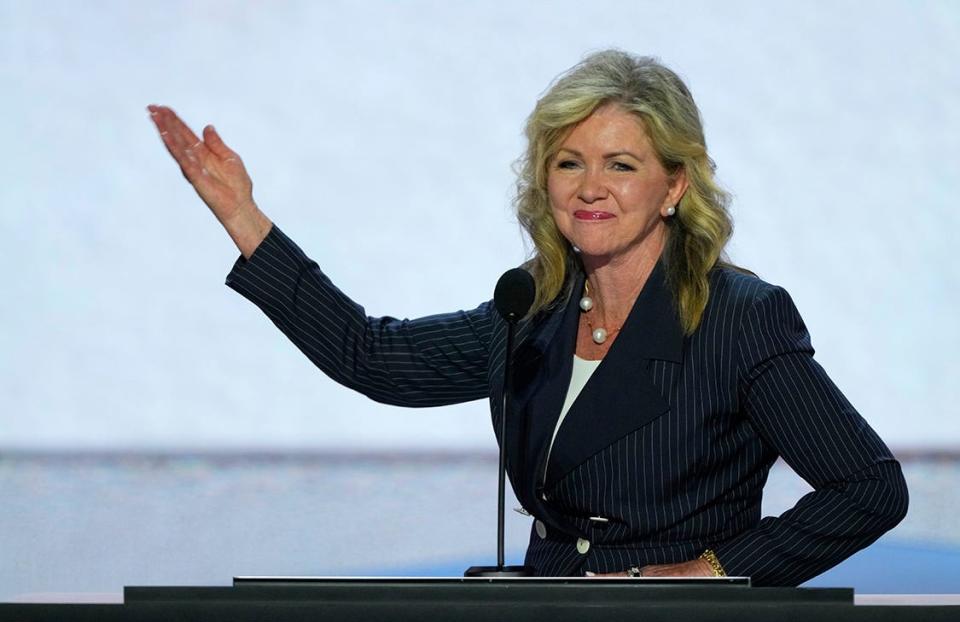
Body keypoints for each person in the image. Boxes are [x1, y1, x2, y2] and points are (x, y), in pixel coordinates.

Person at [148, 50, 908, 586]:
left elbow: (869, 488)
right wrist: (245, 219)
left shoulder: (737, 318)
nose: (590, 187)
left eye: (622, 164)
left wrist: (713, 573)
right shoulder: (533, 311)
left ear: (674, 185)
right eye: (569, 161)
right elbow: (371, 357)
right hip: (547, 615)